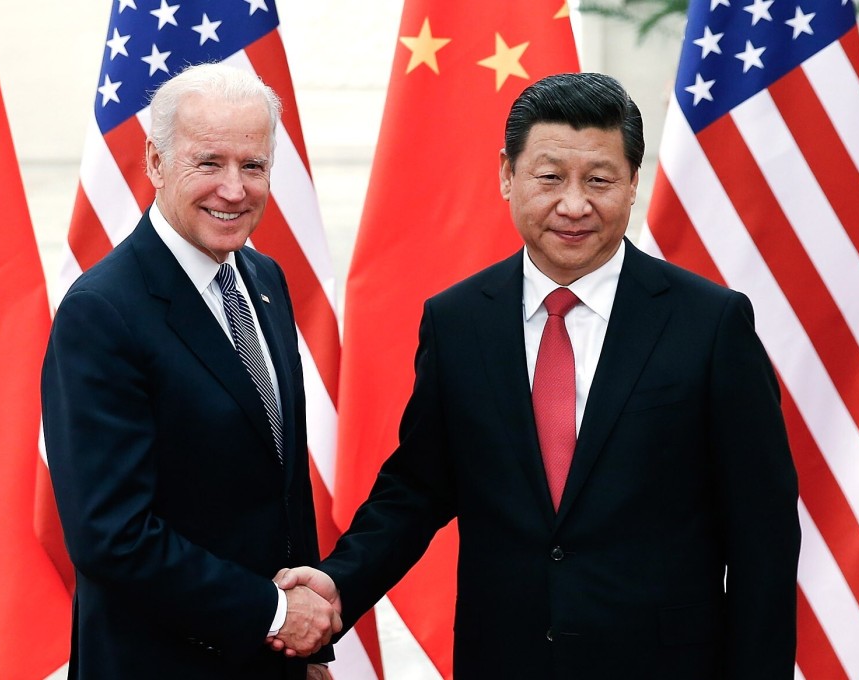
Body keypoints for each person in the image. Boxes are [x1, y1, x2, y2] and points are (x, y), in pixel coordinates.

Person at [275, 72, 800, 678]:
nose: (573, 205)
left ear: (633, 184)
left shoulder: (710, 325)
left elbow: (764, 537)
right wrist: (337, 584)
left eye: (599, 180)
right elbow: (417, 488)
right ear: (507, 174)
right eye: (550, 177)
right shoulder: (458, 320)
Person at [41, 63, 339, 679]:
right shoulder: (102, 311)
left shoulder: (264, 280)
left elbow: (282, 484)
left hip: (272, 661)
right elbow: (111, 534)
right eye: (208, 163)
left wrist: (309, 650)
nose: (234, 189)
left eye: (253, 166)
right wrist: (274, 613)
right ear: (155, 161)